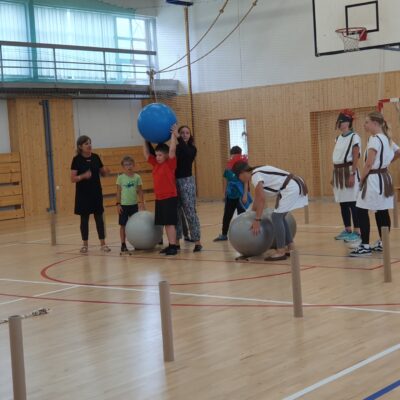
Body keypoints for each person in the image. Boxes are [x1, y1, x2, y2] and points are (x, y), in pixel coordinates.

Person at [232, 161, 308, 261]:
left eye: (238, 177)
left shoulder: (255, 175)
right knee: (280, 217)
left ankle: (280, 251)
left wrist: (257, 220)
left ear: (242, 173)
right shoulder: (256, 172)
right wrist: (251, 213)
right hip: (292, 186)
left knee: (276, 217)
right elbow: (258, 198)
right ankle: (291, 246)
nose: (240, 180)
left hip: (291, 187)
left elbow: (262, 199)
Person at [350, 111, 400, 257]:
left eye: (367, 122)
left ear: (375, 123)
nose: (364, 125)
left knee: (361, 210)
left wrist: (361, 180)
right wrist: (386, 163)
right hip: (385, 177)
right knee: (382, 210)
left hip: (373, 179)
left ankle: (364, 246)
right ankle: (383, 242)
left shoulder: (374, 139)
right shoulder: (387, 138)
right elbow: (398, 152)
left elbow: (368, 163)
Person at [70, 135, 110, 253]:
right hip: (83, 194)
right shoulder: (76, 160)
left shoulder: (96, 157)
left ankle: (103, 244)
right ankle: (85, 245)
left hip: (96, 193)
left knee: (99, 218)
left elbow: (102, 173)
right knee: (84, 220)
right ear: (80, 146)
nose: (89, 145)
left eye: (90, 143)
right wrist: (83, 176)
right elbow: (72, 178)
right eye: (86, 143)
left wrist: (105, 171)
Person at [143, 126, 178, 256]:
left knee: (170, 223)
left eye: (160, 155)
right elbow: (147, 154)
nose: (157, 157)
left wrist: (173, 135)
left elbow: (172, 149)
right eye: (156, 155)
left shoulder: (170, 163)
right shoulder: (155, 164)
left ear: (166, 155)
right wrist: (144, 138)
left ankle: (173, 246)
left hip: (169, 197)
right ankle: (170, 245)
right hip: (159, 197)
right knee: (165, 223)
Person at [331, 109, 361, 242]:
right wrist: (334, 175)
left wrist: (352, 174)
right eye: (339, 121)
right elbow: (337, 157)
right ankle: (347, 229)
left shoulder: (354, 137)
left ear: (348, 123)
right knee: (343, 203)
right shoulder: (337, 138)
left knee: (353, 202)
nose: (339, 124)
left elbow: (355, 156)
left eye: (341, 121)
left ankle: (357, 231)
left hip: (349, 170)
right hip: (338, 172)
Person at [175, 125, 202, 252]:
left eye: (187, 133)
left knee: (190, 212)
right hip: (174, 182)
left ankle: (197, 242)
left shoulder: (192, 149)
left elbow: (186, 153)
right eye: (182, 133)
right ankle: (175, 243)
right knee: (176, 212)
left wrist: (178, 138)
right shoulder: (175, 148)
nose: (184, 135)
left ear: (190, 135)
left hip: (187, 182)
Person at [213, 146, 249, 241]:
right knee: (227, 215)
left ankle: (243, 234)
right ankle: (224, 234)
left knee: (242, 216)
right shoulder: (228, 167)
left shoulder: (243, 166)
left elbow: (246, 182)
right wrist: (224, 193)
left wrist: (245, 195)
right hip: (230, 195)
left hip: (240, 195)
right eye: (233, 155)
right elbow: (225, 180)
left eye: (237, 155)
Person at [116, 156, 145, 254]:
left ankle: (137, 243)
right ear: (123, 166)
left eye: (130, 164)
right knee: (123, 225)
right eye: (126, 165)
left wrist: (141, 202)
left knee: (135, 225)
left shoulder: (137, 177)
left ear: (133, 165)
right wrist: (118, 204)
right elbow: (118, 192)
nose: (128, 166)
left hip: (134, 205)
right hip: (124, 205)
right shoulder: (120, 178)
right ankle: (123, 244)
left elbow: (140, 191)